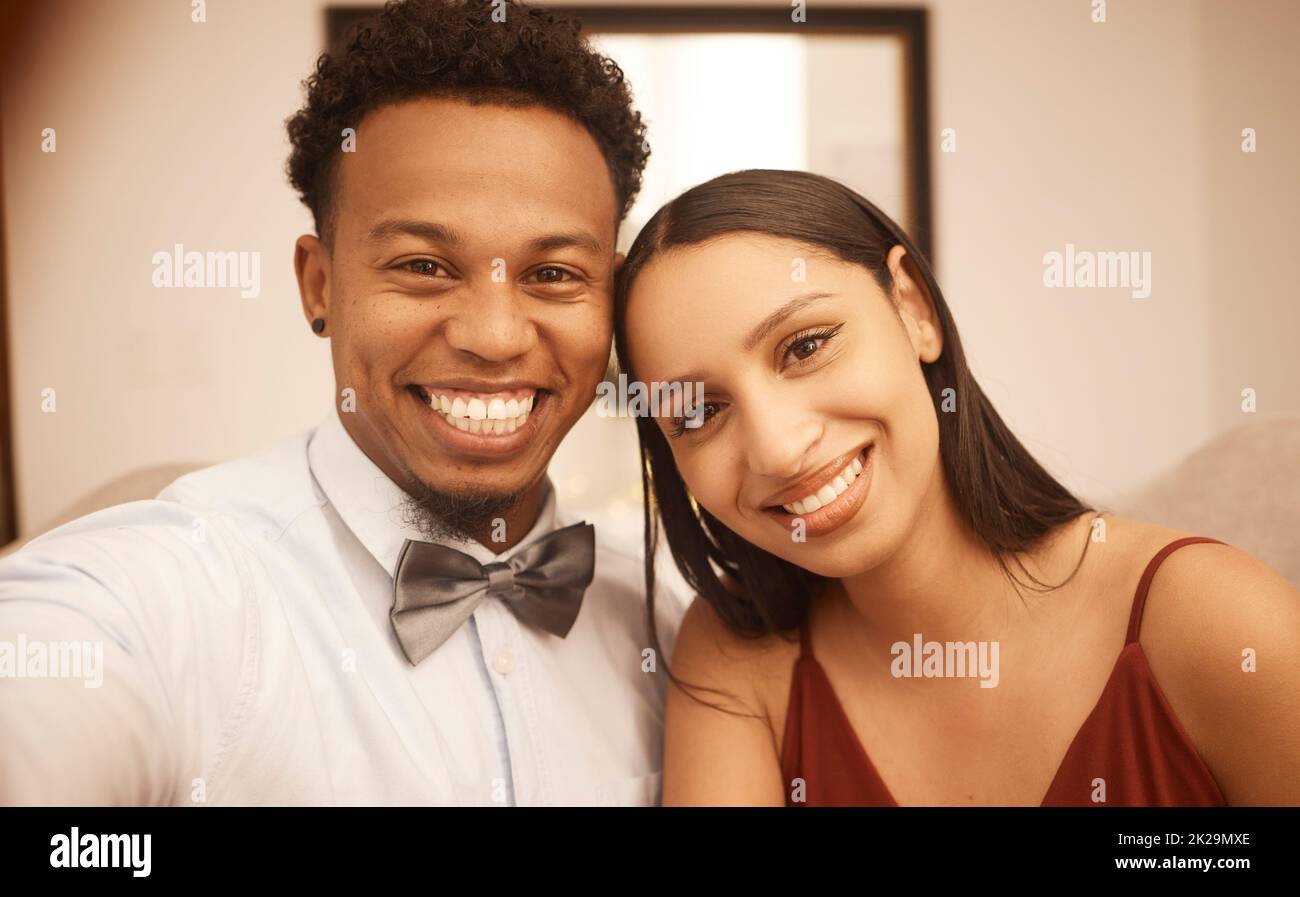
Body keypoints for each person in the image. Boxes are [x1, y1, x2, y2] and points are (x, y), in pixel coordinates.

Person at [0, 0, 686, 806]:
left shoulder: (663, 622)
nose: (495, 336)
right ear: (318, 283)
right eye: (425, 266)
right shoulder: (166, 594)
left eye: (554, 274)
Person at [613, 168, 1300, 806]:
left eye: (806, 345)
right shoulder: (738, 656)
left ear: (914, 308)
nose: (779, 448)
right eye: (699, 411)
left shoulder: (1216, 621)